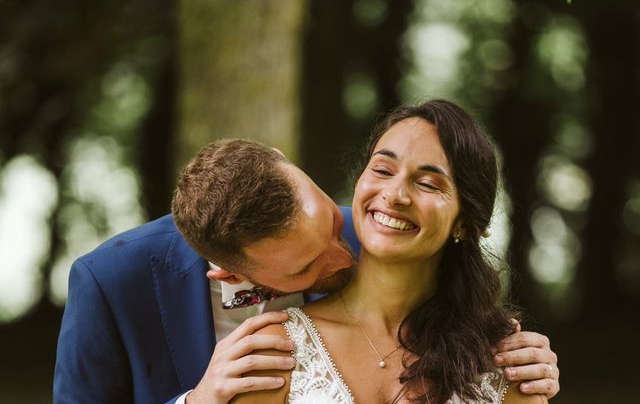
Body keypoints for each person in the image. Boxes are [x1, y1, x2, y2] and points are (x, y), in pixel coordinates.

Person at [54, 138, 559, 404]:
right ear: (230, 275)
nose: (348, 256)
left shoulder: (379, 225)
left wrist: (523, 360)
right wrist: (199, 401)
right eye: (310, 266)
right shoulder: (111, 282)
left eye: (333, 228)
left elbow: (460, 312)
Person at [230, 100, 554, 403]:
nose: (395, 195)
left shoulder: (507, 364)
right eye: (383, 171)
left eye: (427, 183)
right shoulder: (276, 347)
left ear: (464, 223)